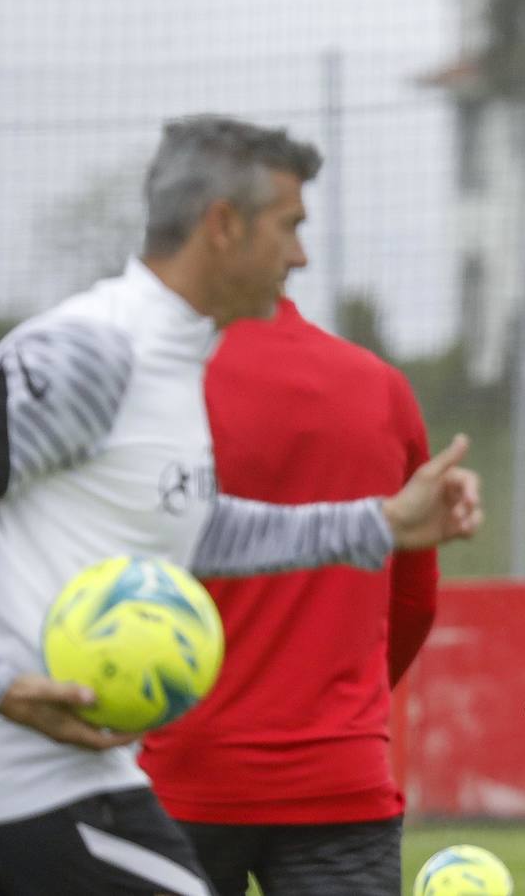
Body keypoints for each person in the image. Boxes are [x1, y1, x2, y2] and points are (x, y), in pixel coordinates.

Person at [0, 115, 480, 896]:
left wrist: (382, 524)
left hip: (79, 780)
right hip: (11, 791)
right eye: (289, 226)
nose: (300, 256)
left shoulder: (179, 358)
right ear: (224, 226)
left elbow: (191, 526)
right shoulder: (90, 351)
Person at [139, 295, 440, 896]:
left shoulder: (153, 384)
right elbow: (415, 601)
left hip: (179, 771)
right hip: (340, 773)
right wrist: (342, 714)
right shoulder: (381, 388)